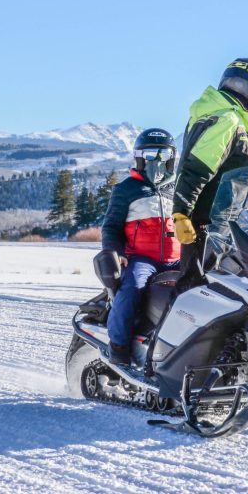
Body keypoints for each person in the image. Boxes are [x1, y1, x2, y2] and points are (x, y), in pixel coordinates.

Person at [172, 58, 248, 289]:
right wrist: (181, 212)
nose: (240, 91)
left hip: (224, 223)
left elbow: (237, 178)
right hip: (209, 224)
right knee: (199, 290)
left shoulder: (226, 116)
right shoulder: (229, 119)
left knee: (224, 290)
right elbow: (198, 167)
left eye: (242, 85)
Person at [101, 128, 181, 365]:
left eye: (162, 154)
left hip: (176, 258)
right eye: (149, 154)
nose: (156, 160)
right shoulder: (126, 189)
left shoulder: (178, 190)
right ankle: (118, 346)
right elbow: (111, 227)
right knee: (133, 286)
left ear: (172, 158)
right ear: (139, 157)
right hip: (142, 258)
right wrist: (117, 253)